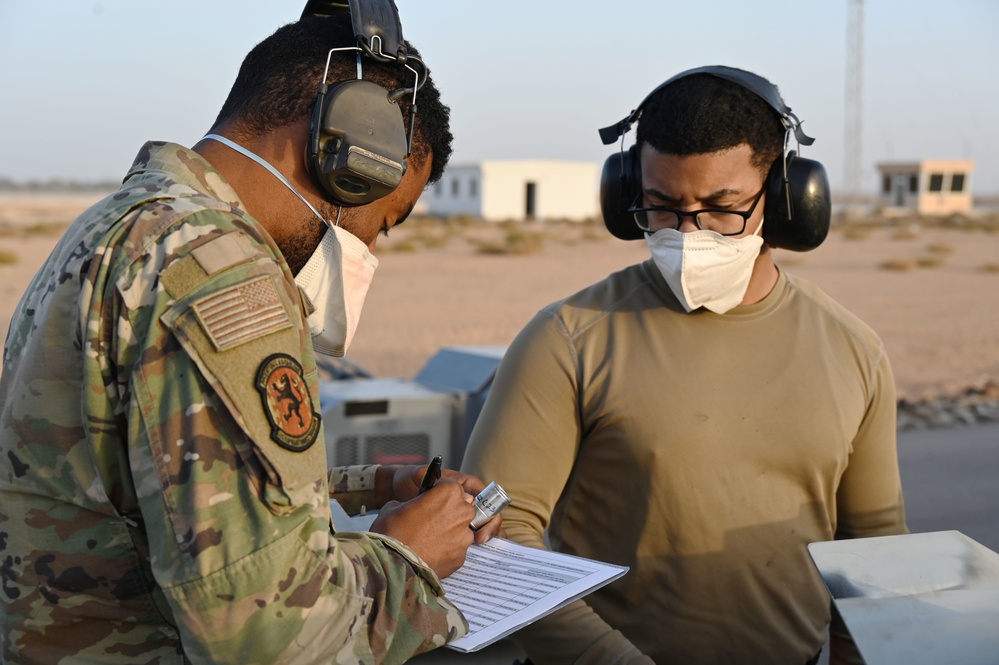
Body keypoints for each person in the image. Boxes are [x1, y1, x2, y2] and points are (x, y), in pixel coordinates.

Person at [0, 8, 501, 664]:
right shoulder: (221, 276)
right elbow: (271, 642)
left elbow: (163, 478)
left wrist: (367, 485)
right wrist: (407, 559)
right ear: (344, 154)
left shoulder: (122, 225)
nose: (373, 244)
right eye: (384, 220)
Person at [461, 66, 907, 665]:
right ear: (629, 197)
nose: (687, 233)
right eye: (662, 206)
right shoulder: (567, 339)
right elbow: (494, 539)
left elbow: (873, 550)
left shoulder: (854, 350)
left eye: (723, 208)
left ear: (784, 198)